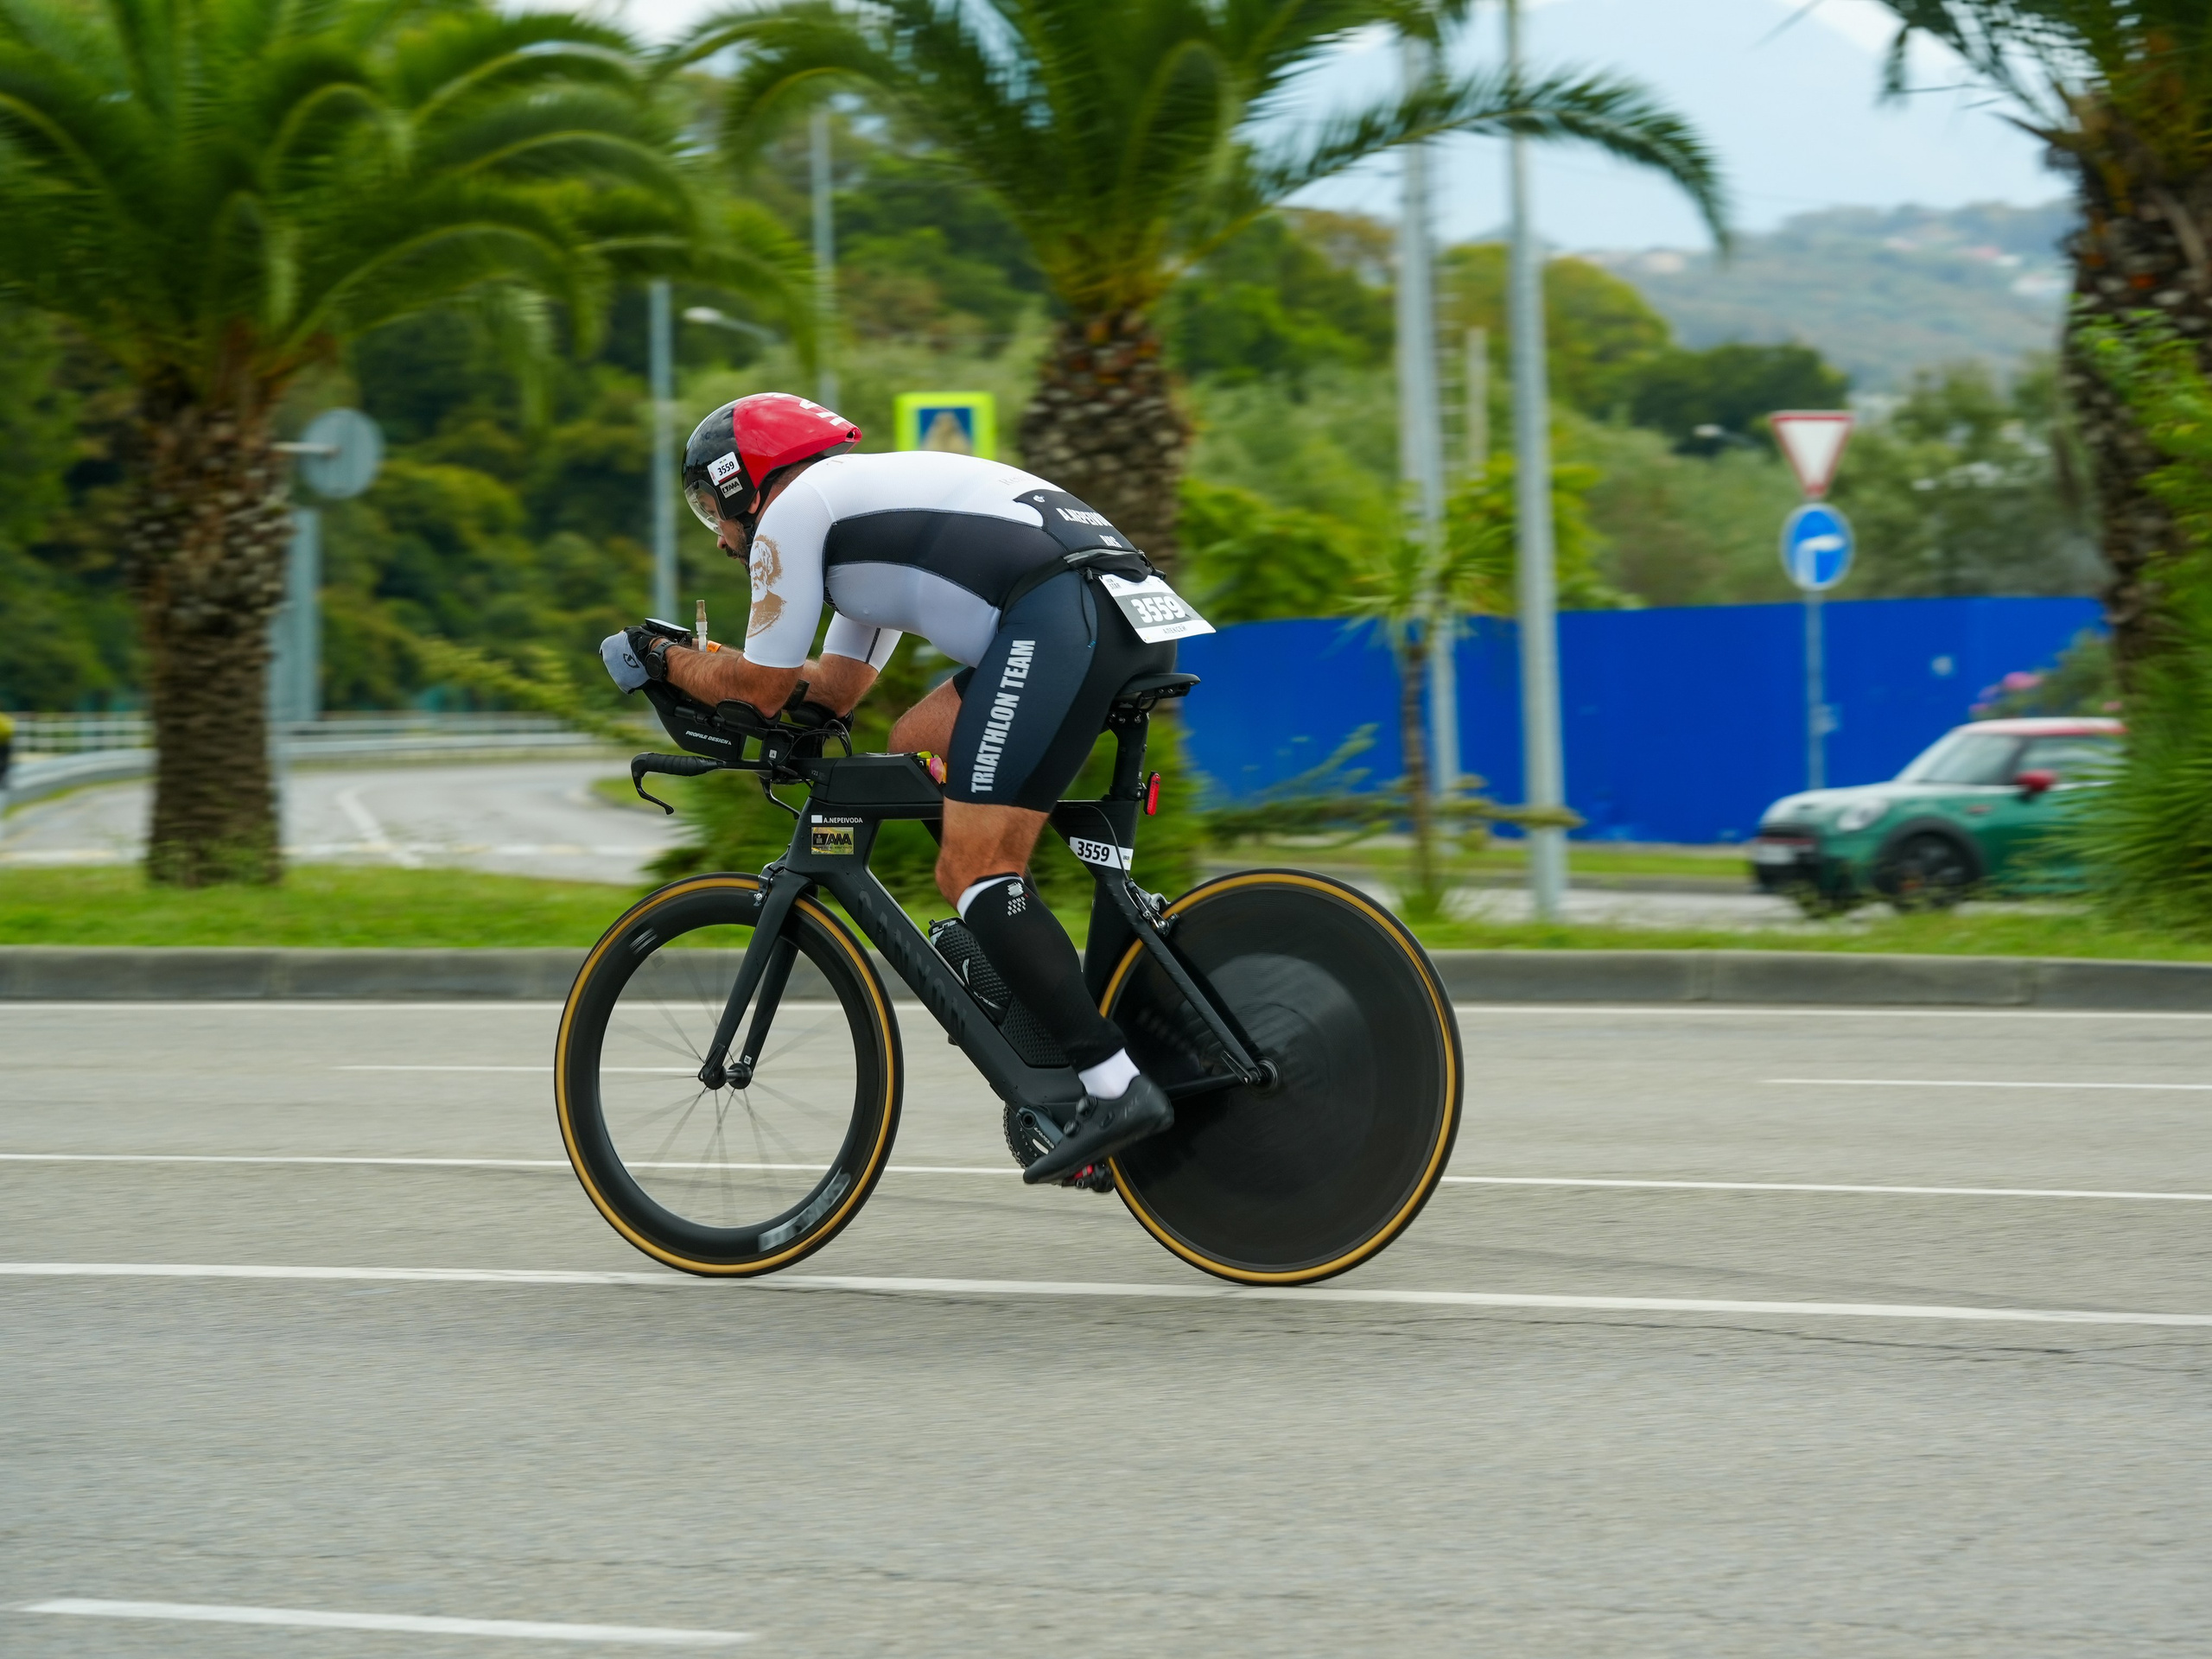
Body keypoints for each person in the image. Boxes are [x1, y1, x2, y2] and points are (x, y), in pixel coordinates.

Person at [601, 392, 1177, 1185]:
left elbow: (764, 690)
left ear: (744, 485)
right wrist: (730, 674)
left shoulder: (796, 514)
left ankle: (1114, 1088)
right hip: (1106, 603)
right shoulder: (856, 518)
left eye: (713, 510)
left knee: (973, 869)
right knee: (916, 743)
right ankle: (1017, 970)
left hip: (1063, 609)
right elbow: (833, 690)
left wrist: (663, 659)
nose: (726, 540)